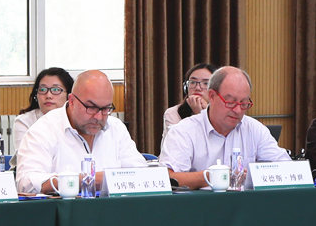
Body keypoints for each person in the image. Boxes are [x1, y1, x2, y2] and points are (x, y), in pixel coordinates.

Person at [15, 69, 146, 195]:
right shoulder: (43, 130)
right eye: (91, 107)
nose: (98, 117)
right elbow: (26, 183)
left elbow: (141, 174)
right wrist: (88, 180)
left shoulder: (116, 128)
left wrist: (101, 179)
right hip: (64, 209)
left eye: (106, 109)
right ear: (72, 101)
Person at [160, 65, 287, 188]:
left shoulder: (255, 129)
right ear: (212, 96)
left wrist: (255, 175)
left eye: (244, 103)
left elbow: (286, 168)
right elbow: (168, 177)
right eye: (230, 102)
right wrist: (211, 176)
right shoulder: (184, 131)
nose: (237, 110)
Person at [14, 68, 73, 151]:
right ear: (36, 95)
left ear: (69, 95)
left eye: (56, 90)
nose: (48, 95)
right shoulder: (24, 121)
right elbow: (24, 155)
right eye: (42, 90)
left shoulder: (76, 120)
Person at [159, 63, 216, 141]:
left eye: (206, 83)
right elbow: (179, 144)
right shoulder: (173, 113)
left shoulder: (224, 114)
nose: (197, 88)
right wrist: (199, 116)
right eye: (193, 82)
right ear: (186, 88)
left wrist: (204, 114)